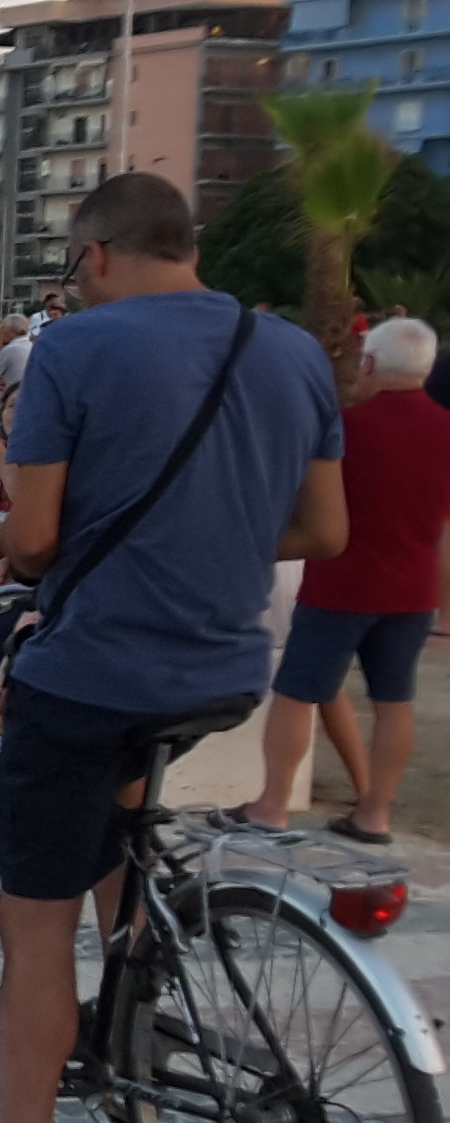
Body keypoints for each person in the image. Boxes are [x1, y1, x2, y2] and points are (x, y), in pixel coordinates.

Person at [0, 172, 345, 1123]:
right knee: (122, 829)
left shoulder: (77, 348)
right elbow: (325, 529)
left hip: (95, 671)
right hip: (225, 669)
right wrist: (209, 538)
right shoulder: (289, 350)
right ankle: (137, 1007)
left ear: (99, 255)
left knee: (34, 926)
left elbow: (33, 543)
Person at [238, 317, 450, 844]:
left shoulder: (344, 427)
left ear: (370, 363)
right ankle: (375, 814)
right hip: (412, 588)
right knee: (394, 700)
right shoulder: (445, 429)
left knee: (296, 692)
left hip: (341, 582)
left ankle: (272, 805)